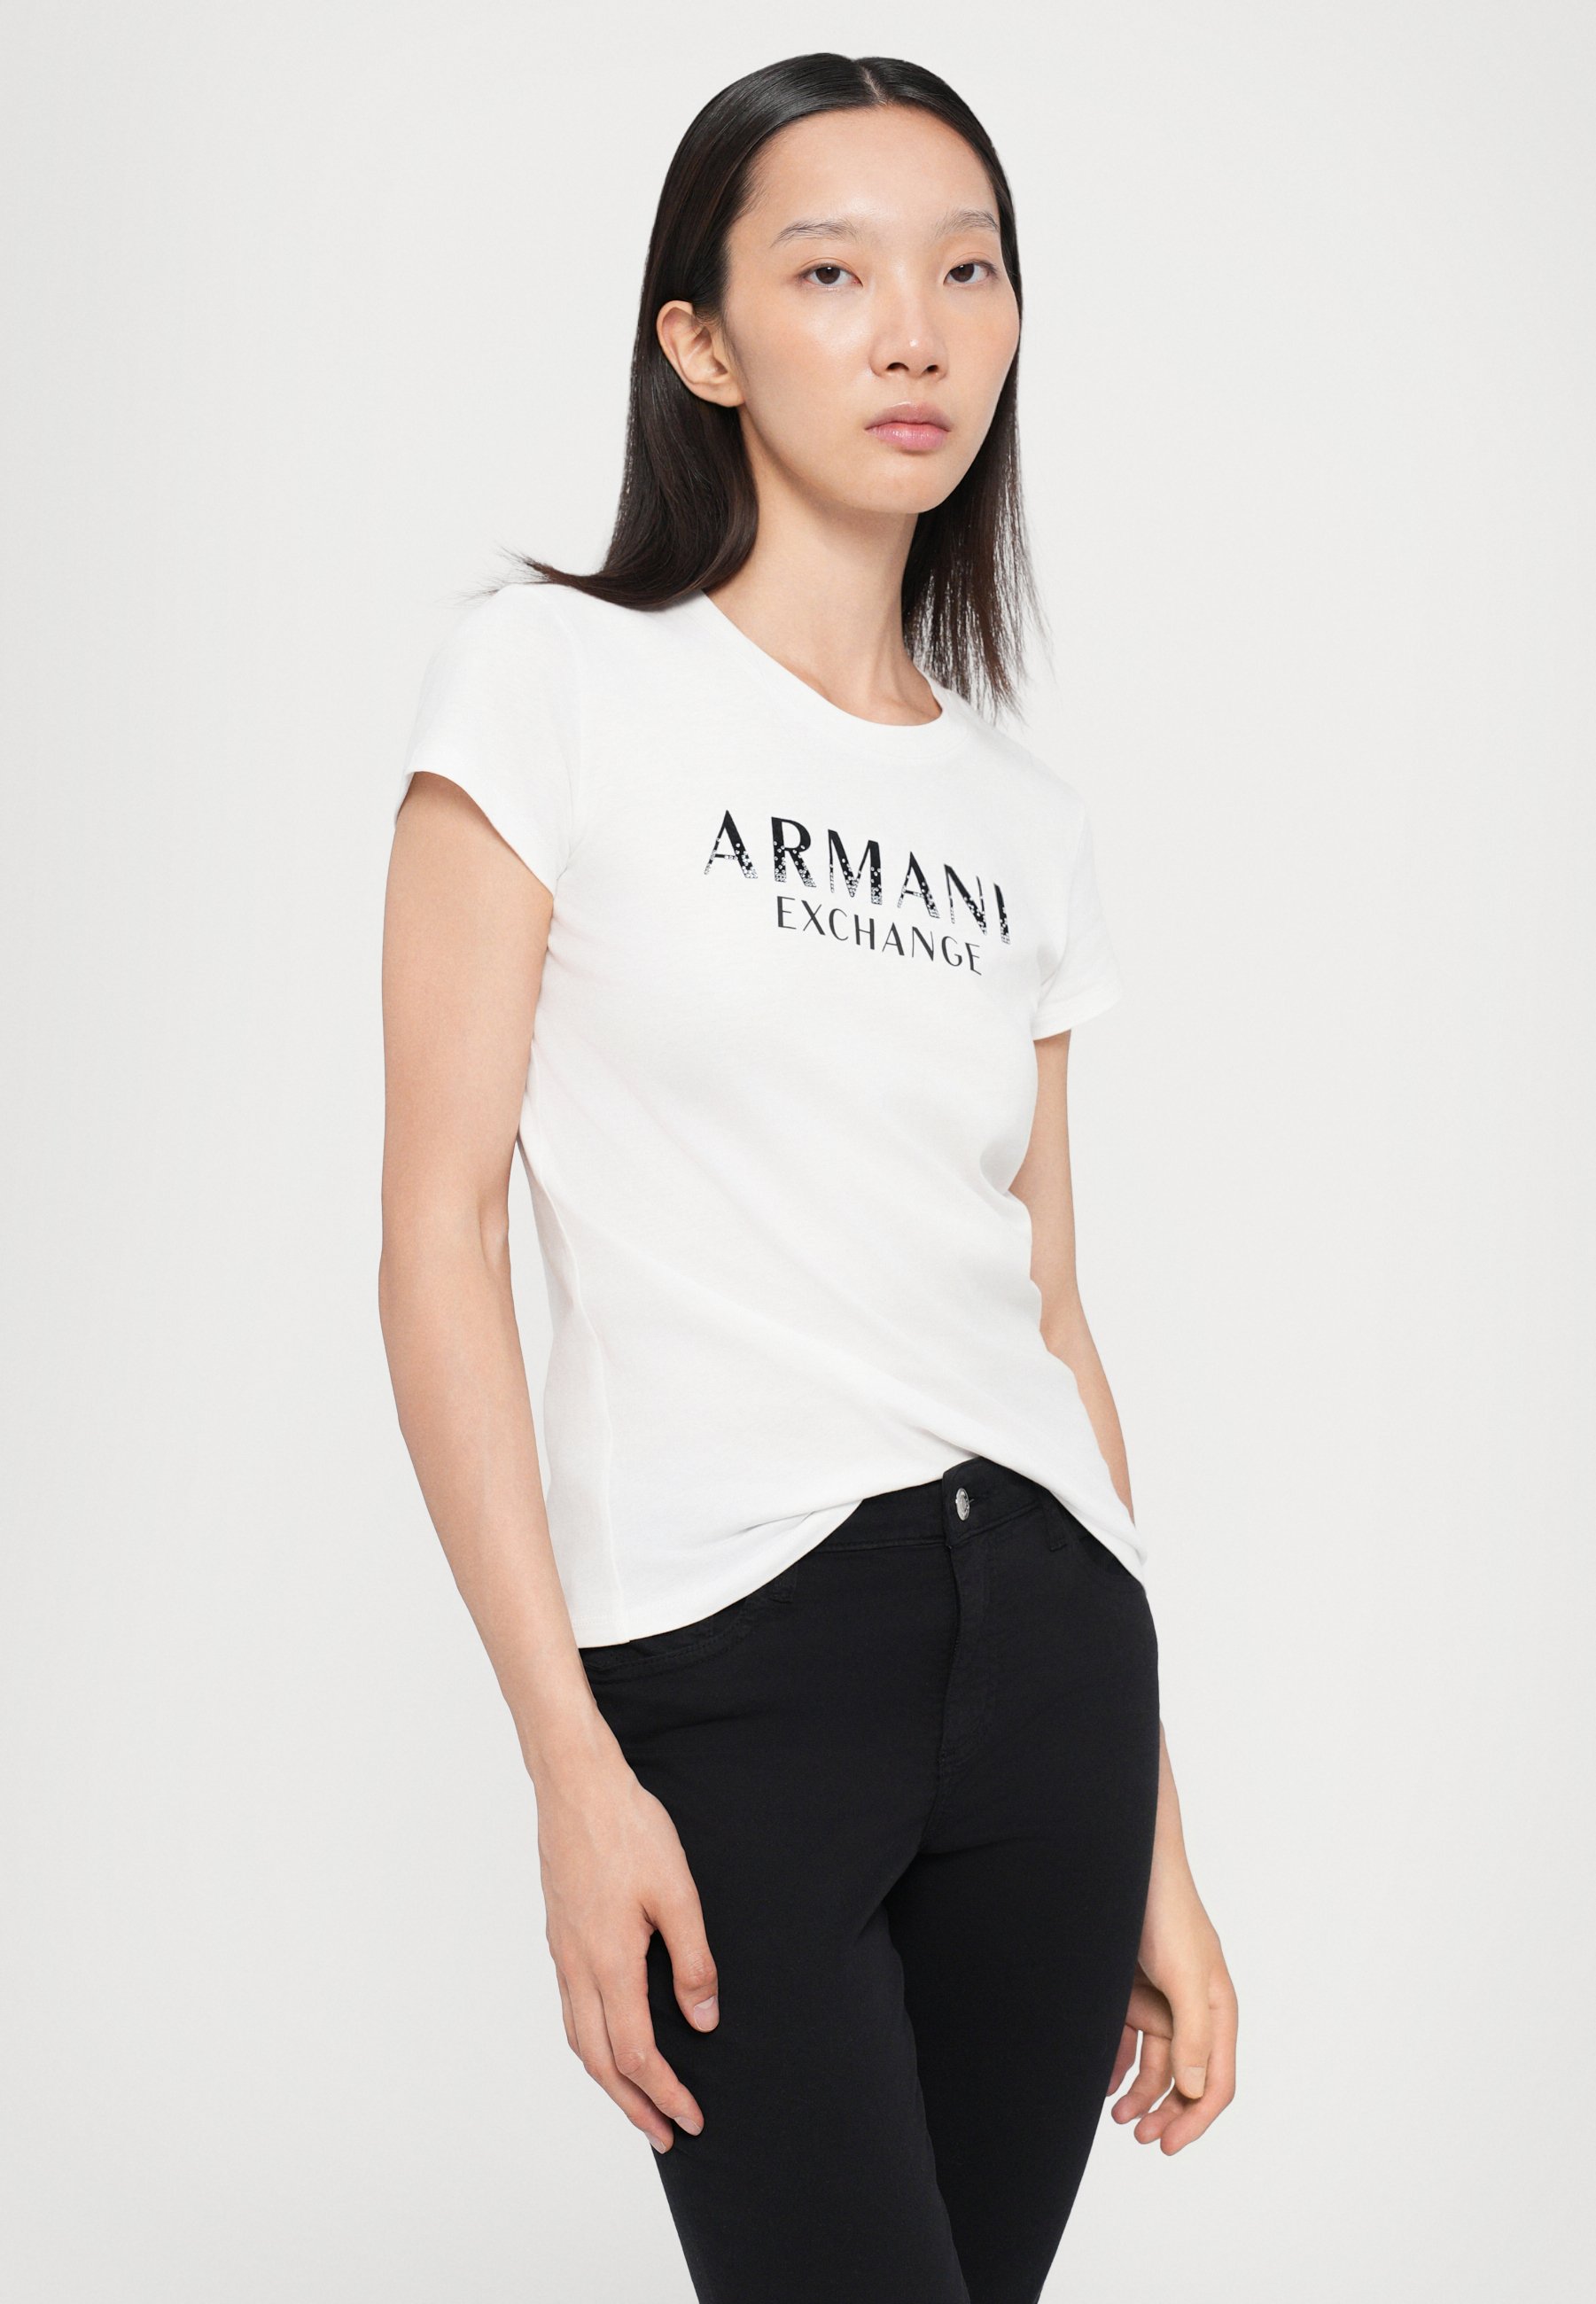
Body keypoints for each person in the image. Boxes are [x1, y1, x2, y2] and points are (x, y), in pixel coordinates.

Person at [379, 50, 1237, 2304]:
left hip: (1054, 1649)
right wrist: (568, 1764)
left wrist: (1160, 1839)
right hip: (729, 1652)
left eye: (968, 271)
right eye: (833, 275)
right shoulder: (549, 683)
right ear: (701, 340)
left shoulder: (1021, 819)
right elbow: (438, 1238)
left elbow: (1046, 1316)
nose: (914, 332)